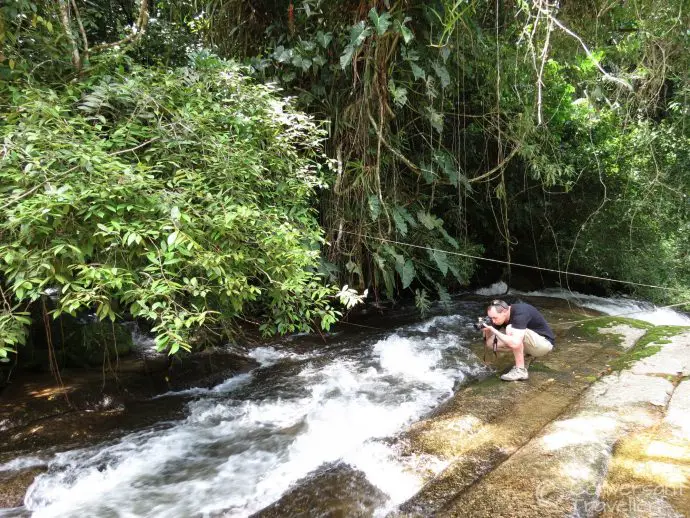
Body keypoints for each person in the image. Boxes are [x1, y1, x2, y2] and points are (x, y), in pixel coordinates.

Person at [481, 299, 555, 381]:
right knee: (491, 343)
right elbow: (489, 343)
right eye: (490, 318)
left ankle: (520, 371)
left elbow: (515, 343)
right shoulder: (501, 316)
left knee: (510, 329)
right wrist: (487, 330)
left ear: (505, 311)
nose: (493, 321)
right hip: (531, 342)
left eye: (494, 318)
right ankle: (527, 355)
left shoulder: (520, 313)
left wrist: (494, 330)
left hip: (544, 344)